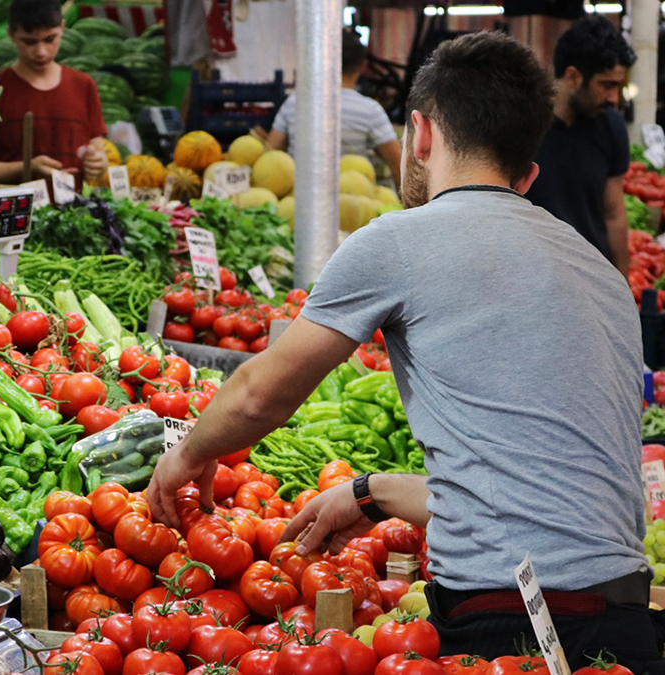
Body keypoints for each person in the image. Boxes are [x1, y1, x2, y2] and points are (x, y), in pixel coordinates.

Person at [145, 31, 664, 670]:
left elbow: (259, 393)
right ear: (527, 175)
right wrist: (369, 493)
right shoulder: (603, 275)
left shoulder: (399, 241)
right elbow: (535, 491)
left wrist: (188, 453)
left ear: (419, 135)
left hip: (506, 622)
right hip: (629, 625)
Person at [525, 15, 636, 277]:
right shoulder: (524, 124)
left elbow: (614, 215)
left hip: (591, 276)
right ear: (573, 77)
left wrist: (623, 286)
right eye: (606, 85)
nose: (613, 98)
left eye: (617, 86)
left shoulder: (612, 126)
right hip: (533, 275)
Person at [0, 0, 108, 188]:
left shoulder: (83, 85)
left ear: (62, 28)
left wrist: (98, 163)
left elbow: (98, 150)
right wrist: (27, 167)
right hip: (14, 211)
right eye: (29, 42)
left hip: (74, 211)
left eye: (50, 39)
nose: (41, 52)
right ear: (11, 34)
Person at [257, 29, 402, 186]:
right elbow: (398, 166)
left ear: (324, 61)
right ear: (362, 66)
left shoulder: (294, 102)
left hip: (299, 199)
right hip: (354, 198)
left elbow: (270, 155)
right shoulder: (370, 111)